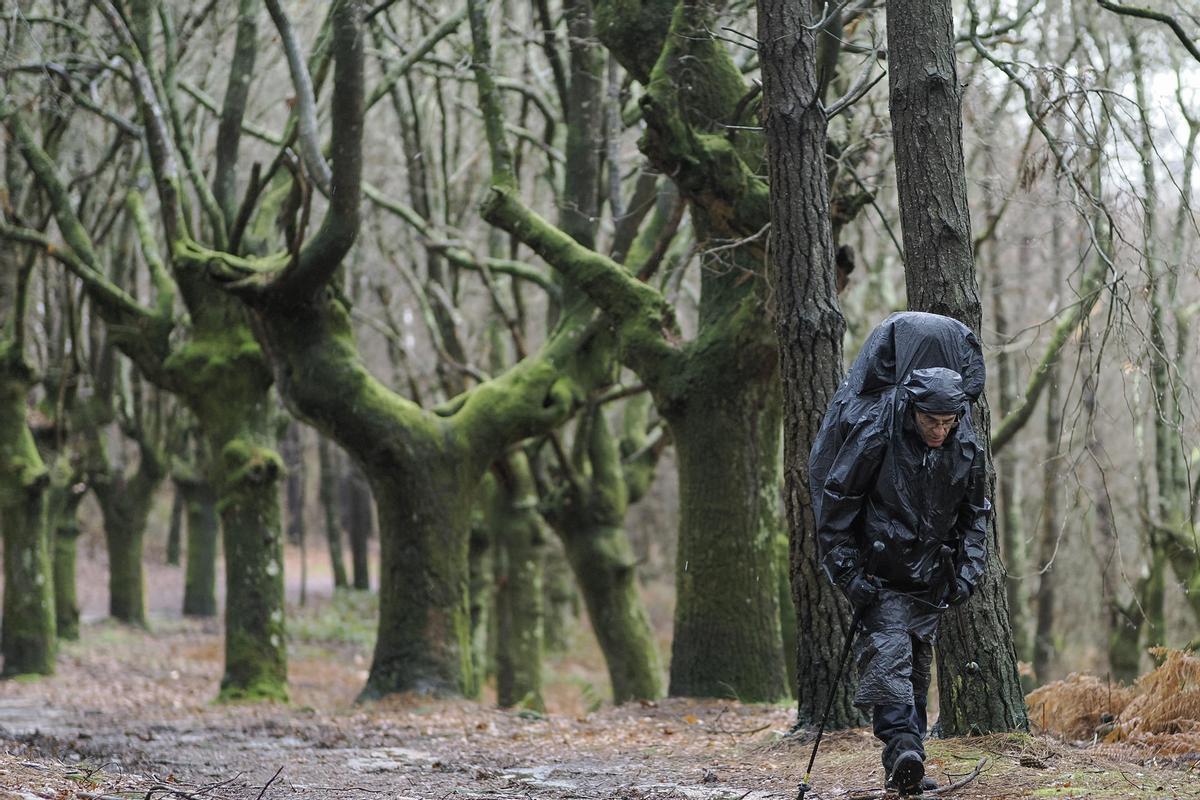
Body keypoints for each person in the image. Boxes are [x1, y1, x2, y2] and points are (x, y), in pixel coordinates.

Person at [809, 312, 991, 795]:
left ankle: (904, 760)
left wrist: (966, 574)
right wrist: (849, 573)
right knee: (889, 658)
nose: (940, 431)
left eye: (948, 422)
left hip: (930, 578)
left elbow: (977, 515)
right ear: (913, 410)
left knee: (914, 669)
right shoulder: (876, 433)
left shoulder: (965, 446)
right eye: (932, 421)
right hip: (880, 573)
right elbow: (838, 502)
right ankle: (906, 750)